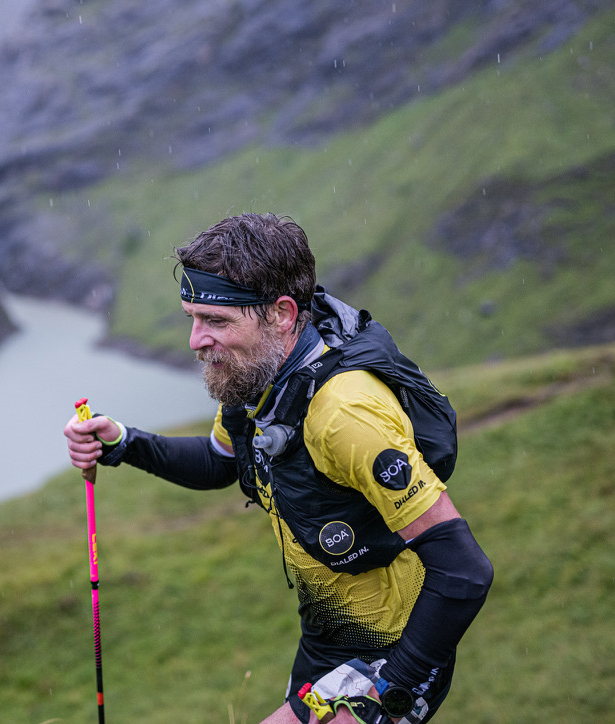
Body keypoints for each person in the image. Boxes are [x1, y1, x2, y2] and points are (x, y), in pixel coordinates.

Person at [63, 213, 493, 723]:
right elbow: (219, 462)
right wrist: (124, 442)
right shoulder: (262, 379)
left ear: (283, 314)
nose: (196, 341)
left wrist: (392, 687)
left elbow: (464, 570)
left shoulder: (344, 414)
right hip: (323, 642)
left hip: (390, 655)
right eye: (192, 319)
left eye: (217, 322)